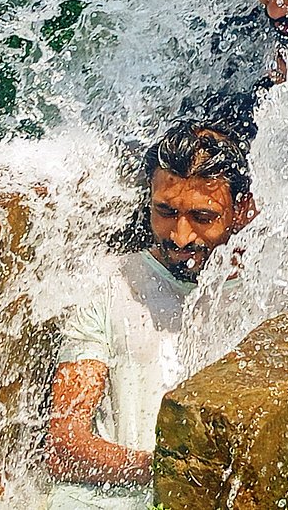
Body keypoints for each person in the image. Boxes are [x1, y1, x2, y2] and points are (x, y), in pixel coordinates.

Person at [43, 121, 254, 509]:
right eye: (166, 211)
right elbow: (64, 444)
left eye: (203, 218)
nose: (180, 235)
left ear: (241, 210)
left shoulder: (262, 298)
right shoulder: (109, 283)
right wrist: (166, 470)